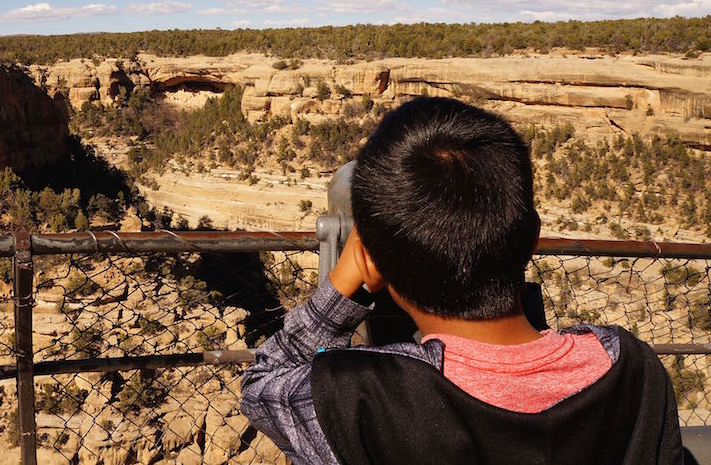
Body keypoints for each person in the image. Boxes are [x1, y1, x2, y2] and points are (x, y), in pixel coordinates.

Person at [240, 97, 683, 464]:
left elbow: (262, 383)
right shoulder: (635, 369)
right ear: (531, 238)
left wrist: (339, 288)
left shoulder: (356, 401)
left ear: (376, 263)